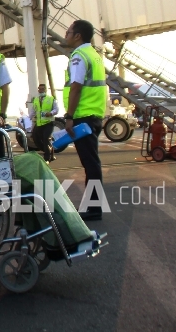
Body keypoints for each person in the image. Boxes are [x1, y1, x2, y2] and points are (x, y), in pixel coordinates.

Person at [62, 19, 108, 222]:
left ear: (77, 35)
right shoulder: (95, 55)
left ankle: (95, 208)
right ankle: (93, 206)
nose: (66, 35)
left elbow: (76, 87)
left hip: (84, 116)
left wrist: (69, 116)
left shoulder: (79, 56)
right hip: (95, 114)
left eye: (69, 32)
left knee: (91, 164)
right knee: (92, 163)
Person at [29, 84, 58, 162]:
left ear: (46, 90)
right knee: (35, 138)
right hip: (39, 123)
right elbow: (33, 110)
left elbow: (56, 109)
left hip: (48, 123)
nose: (41, 90)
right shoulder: (36, 99)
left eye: (42, 89)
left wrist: (51, 113)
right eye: (39, 89)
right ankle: (49, 151)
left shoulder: (51, 99)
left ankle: (47, 158)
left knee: (46, 139)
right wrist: (30, 118)